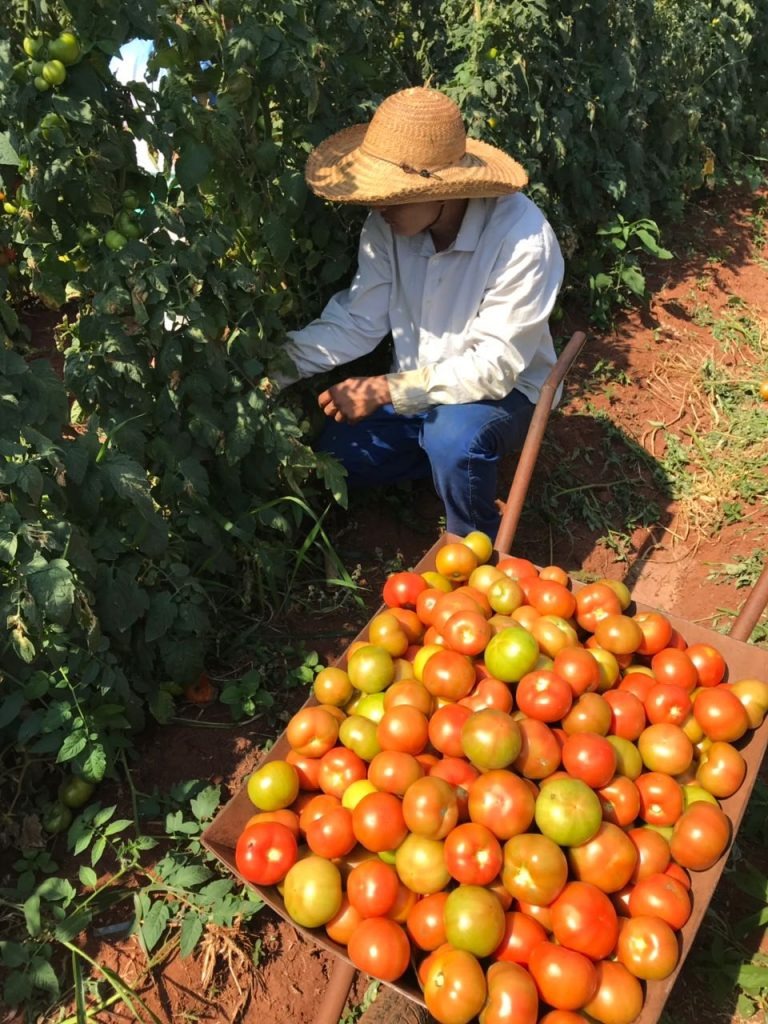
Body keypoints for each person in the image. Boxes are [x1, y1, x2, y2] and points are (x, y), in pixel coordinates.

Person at [281, 86, 564, 539]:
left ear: (447, 190)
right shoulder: (387, 225)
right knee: (341, 456)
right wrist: (272, 368)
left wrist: (384, 388)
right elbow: (359, 319)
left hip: (505, 394)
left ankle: (474, 542)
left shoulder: (522, 239)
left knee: (456, 436)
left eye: (395, 195)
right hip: (413, 391)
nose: (379, 205)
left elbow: (494, 369)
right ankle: (443, 465)